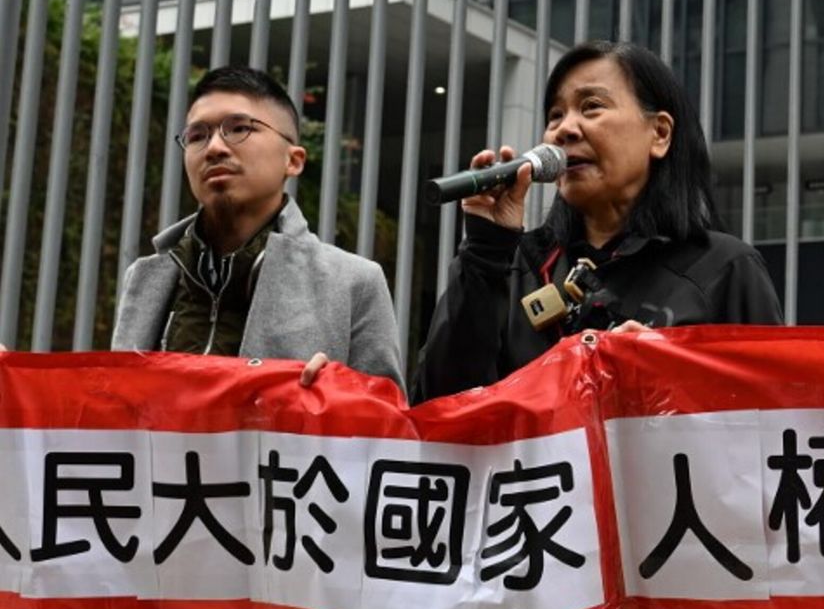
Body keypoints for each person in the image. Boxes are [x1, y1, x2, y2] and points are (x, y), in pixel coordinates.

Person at [414, 41, 783, 402]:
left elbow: (773, 419)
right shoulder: (513, 265)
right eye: (555, 115)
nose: (564, 130)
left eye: (591, 107)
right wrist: (484, 249)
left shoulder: (723, 268)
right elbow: (438, 408)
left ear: (660, 134)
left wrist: (669, 379)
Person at [112, 66, 403, 387]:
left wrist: (338, 395)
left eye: (238, 129)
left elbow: (386, 423)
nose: (214, 148)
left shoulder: (354, 283)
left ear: (293, 161)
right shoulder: (146, 276)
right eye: (197, 136)